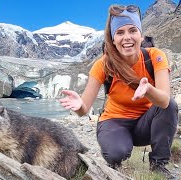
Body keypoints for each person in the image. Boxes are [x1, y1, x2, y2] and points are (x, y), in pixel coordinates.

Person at [59, 4, 178, 179]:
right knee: (116, 155)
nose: (127, 37)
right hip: (115, 122)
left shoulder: (155, 56)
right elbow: (84, 109)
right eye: (120, 33)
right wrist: (78, 106)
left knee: (171, 106)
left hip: (145, 125)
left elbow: (165, 101)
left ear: (141, 34)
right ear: (113, 39)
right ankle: (117, 150)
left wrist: (148, 90)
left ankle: (159, 165)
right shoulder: (103, 64)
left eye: (132, 31)